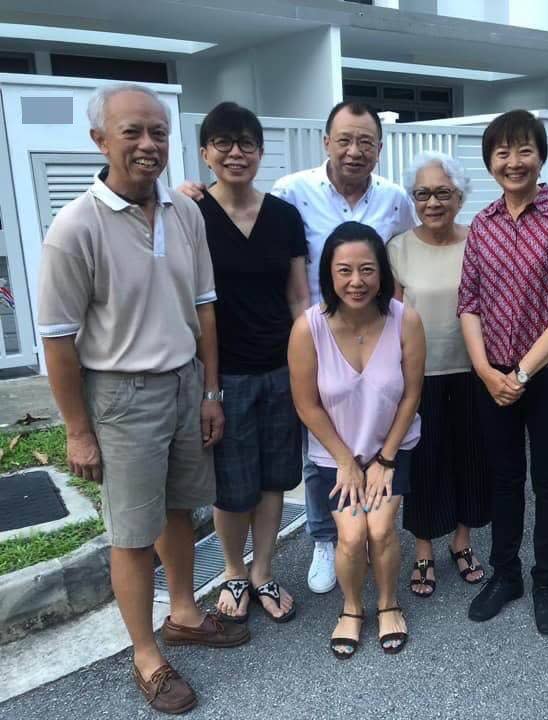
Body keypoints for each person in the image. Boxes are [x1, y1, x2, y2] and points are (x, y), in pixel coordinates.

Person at [37, 84, 248, 715]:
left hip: (186, 382)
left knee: (180, 508)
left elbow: (205, 307)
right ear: (100, 140)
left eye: (158, 132)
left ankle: (183, 612)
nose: (149, 144)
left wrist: (210, 390)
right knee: (131, 534)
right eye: (132, 132)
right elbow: (56, 340)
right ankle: (146, 653)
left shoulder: (186, 213)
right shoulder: (75, 227)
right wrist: (77, 430)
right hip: (121, 394)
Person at [183, 101, 416, 595]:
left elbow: (404, 257)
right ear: (326, 142)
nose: (355, 151)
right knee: (313, 455)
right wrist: (309, 347)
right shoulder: (291, 193)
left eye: (366, 142)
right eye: (345, 140)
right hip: (302, 341)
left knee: (286, 463)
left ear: (378, 148)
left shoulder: (395, 200)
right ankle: (321, 540)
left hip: (359, 338)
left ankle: (265, 571)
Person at [458, 109, 548, 635]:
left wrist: (522, 374)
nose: (514, 161)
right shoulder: (483, 224)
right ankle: (505, 573)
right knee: (505, 479)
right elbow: (467, 303)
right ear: (490, 162)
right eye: (502, 152)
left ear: (541, 156)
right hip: (493, 376)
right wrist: (488, 372)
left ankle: (546, 581)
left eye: (524, 150)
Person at [195, 102, 309, 624]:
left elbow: (298, 298)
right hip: (224, 374)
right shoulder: (190, 214)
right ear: (205, 153)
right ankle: (232, 571)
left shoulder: (284, 215)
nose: (235, 152)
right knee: (230, 484)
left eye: (246, 143)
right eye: (223, 142)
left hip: (282, 367)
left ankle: (262, 570)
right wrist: (209, 389)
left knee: (273, 479)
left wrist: (310, 364)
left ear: (261, 153)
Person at [288, 221, 425, 658]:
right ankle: (351, 609)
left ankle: (388, 603)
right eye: (344, 270)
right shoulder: (308, 328)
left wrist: (385, 460)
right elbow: (306, 404)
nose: (356, 281)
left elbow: (412, 394)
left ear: (382, 272)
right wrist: (346, 461)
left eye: (367, 269)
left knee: (381, 528)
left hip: (391, 446)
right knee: (350, 536)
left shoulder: (407, 320)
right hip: (335, 452)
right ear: (328, 273)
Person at [389, 152, 491, 598]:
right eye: (423, 194)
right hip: (418, 376)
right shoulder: (398, 247)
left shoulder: (480, 241)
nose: (433, 202)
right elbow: (390, 319)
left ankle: (463, 541)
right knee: (425, 464)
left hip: (475, 370)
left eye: (443, 193)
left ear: (460, 196)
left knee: (472, 458)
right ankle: (425, 550)